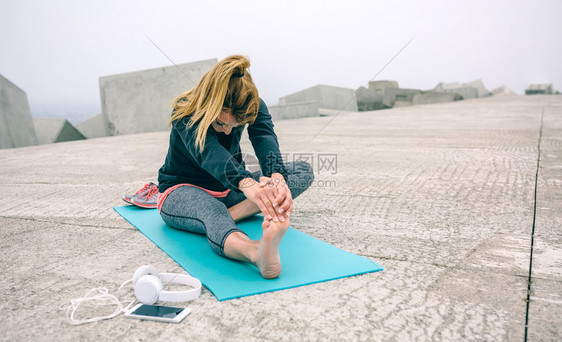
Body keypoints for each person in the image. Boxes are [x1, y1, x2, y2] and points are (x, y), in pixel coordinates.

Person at [157, 55, 314, 279]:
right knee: (211, 210)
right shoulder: (186, 110)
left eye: (235, 125)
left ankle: (227, 216)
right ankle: (255, 252)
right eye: (220, 123)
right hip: (181, 190)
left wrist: (277, 178)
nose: (228, 132)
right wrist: (247, 183)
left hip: (230, 190)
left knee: (300, 170)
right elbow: (209, 152)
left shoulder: (252, 103)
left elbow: (263, 134)